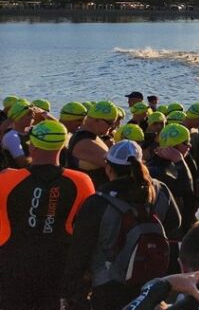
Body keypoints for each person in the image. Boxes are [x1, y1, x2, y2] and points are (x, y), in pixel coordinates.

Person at [62, 140, 181, 310]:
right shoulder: (160, 191)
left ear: (109, 168)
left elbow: (80, 250)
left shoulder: (98, 201)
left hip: (108, 284)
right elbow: (174, 225)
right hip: (151, 281)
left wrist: (70, 292)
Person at [0, 121, 95, 310]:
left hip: (12, 263)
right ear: (63, 146)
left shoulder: (6, 180)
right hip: (59, 263)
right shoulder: (82, 181)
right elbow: (88, 228)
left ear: (32, 146)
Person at [68, 100, 117, 189]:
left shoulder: (87, 136)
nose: (113, 127)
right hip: (91, 196)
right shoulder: (85, 143)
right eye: (110, 123)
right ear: (96, 120)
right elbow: (118, 167)